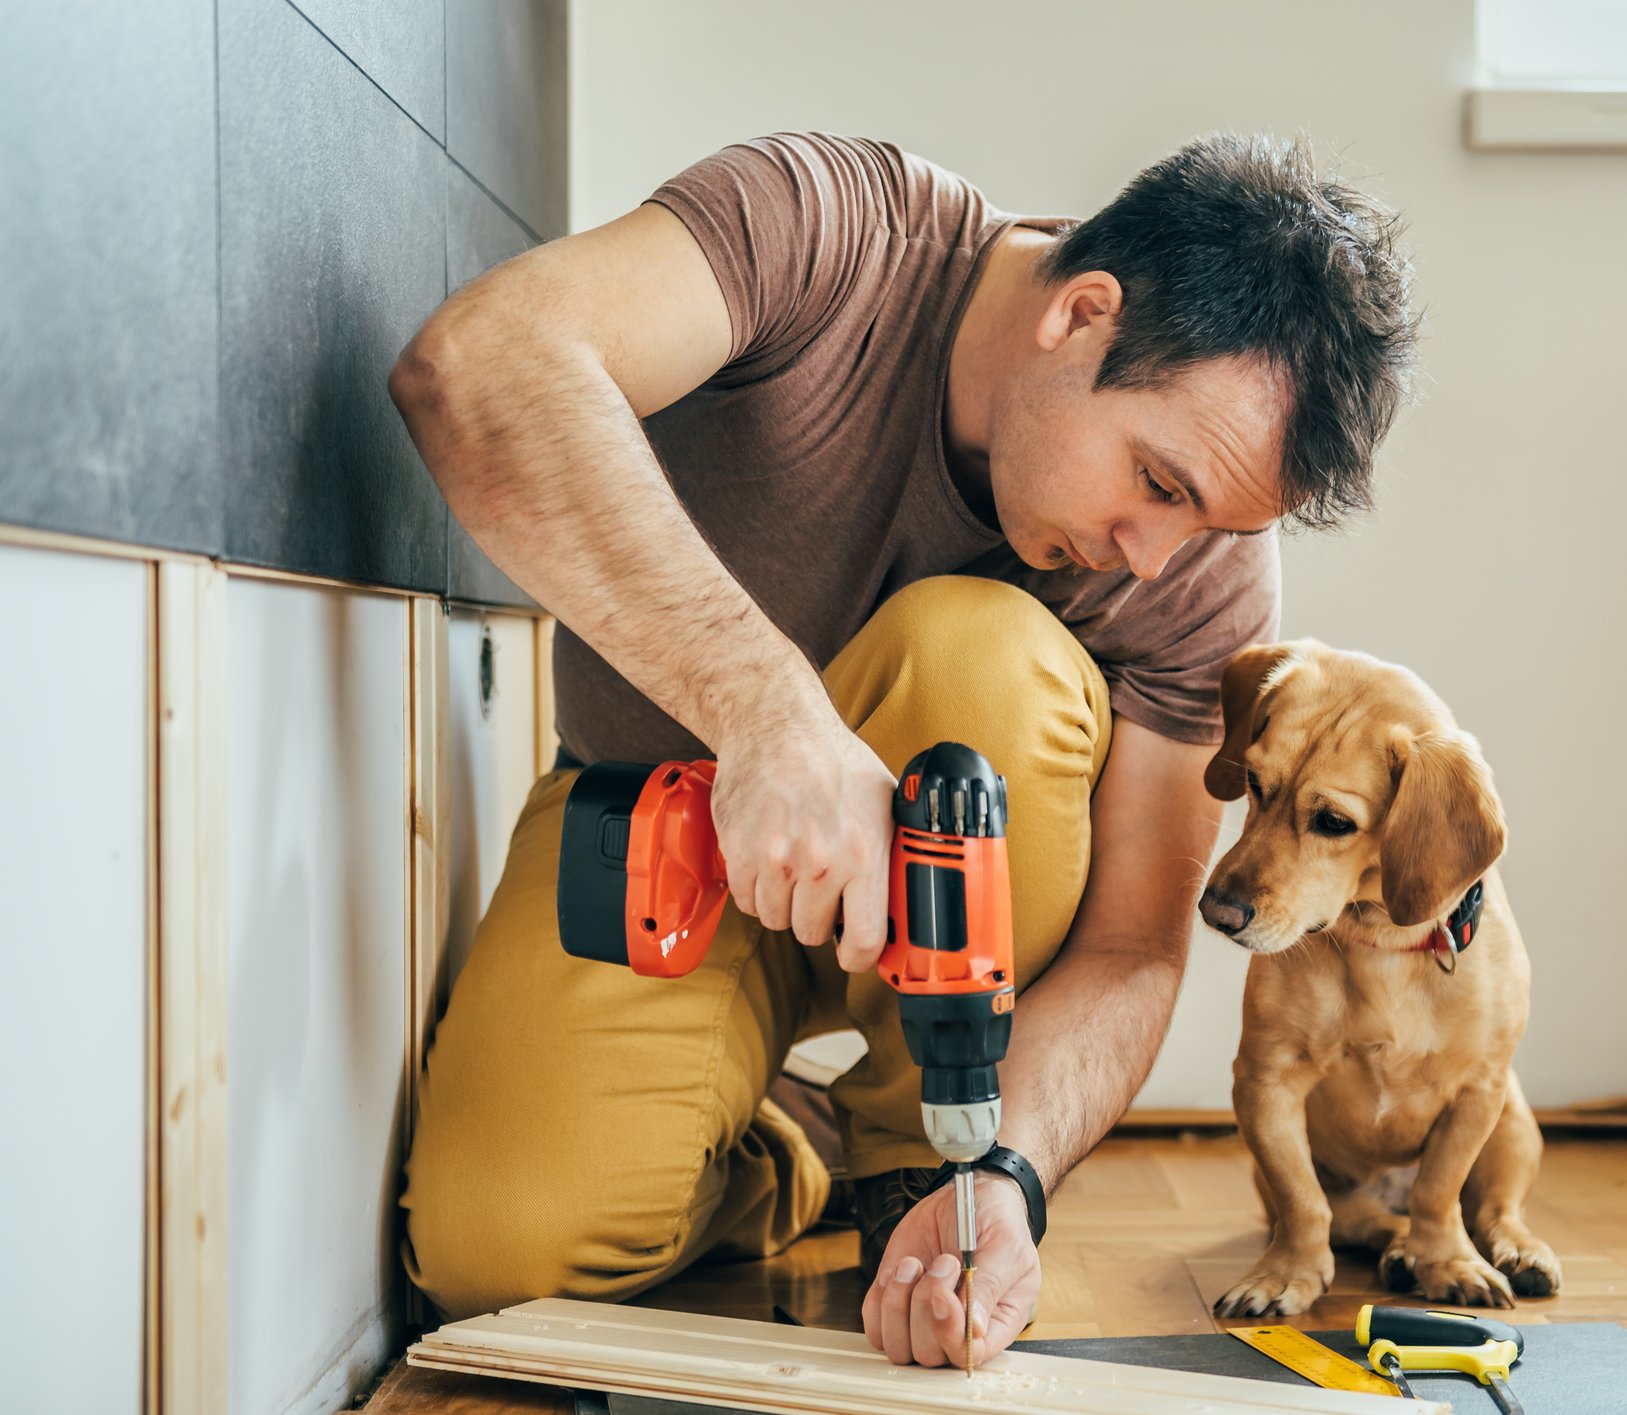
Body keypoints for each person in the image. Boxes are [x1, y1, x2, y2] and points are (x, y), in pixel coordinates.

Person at [388, 129, 1417, 1369]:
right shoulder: (825, 230)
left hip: (955, 968)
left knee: (981, 651)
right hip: (661, 819)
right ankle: (792, 1147)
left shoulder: (1200, 571)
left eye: (1202, 520)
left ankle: (917, 1155)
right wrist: (770, 716)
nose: (1153, 553)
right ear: (1083, 314)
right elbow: (480, 362)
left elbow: (1134, 947)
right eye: (1155, 479)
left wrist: (1014, 1173)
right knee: (500, 1256)